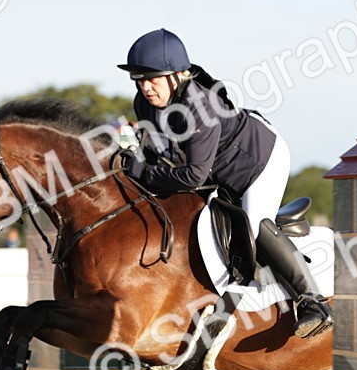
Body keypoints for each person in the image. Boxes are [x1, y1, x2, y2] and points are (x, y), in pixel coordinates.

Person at [116, 28, 331, 339]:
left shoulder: (198, 108)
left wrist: (144, 173)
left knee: (255, 223)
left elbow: (193, 176)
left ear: (177, 76)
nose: (145, 87)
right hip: (217, 168)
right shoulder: (144, 104)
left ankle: (313, 301)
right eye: (139, 79)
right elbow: (154, 152)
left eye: (153, 78)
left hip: (259, 160)